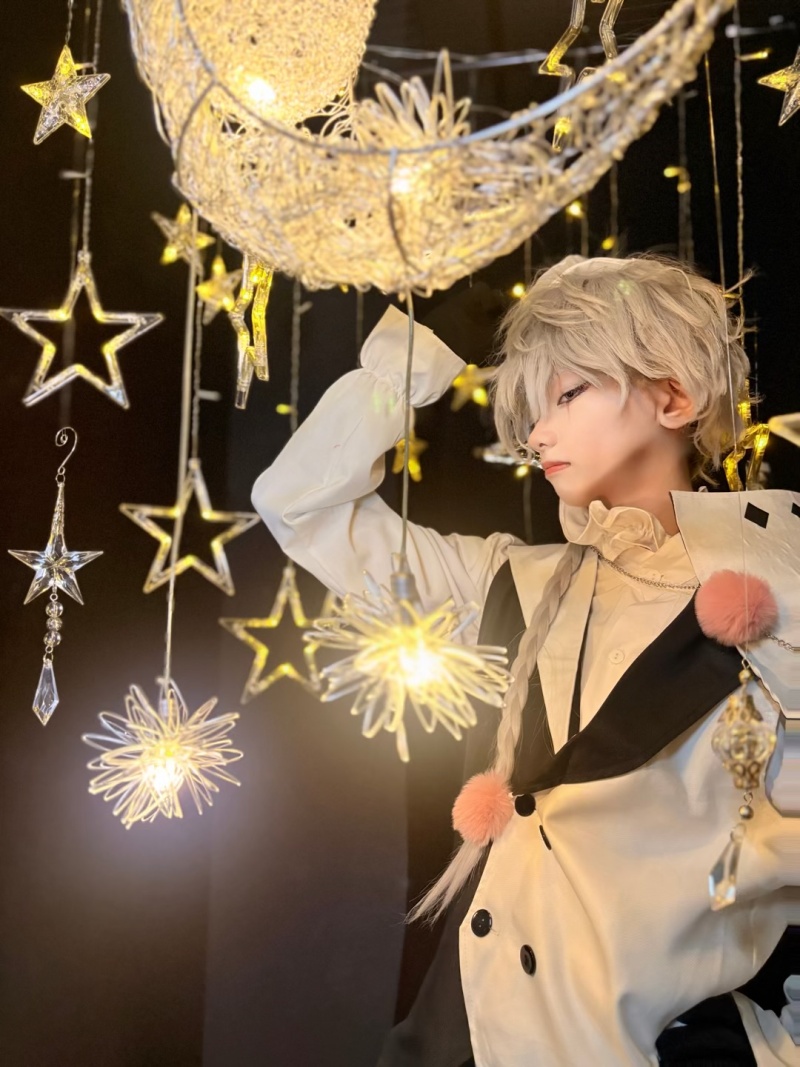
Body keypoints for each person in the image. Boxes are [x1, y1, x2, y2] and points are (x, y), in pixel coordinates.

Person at [252, 255, 800, 1066]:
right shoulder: (511, 580)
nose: (538, 433)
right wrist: (415, 359)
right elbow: (298, 503)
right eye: (532, 408)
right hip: (458, 1040)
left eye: (568, 393)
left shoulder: (779, 592)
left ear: (673, 398)